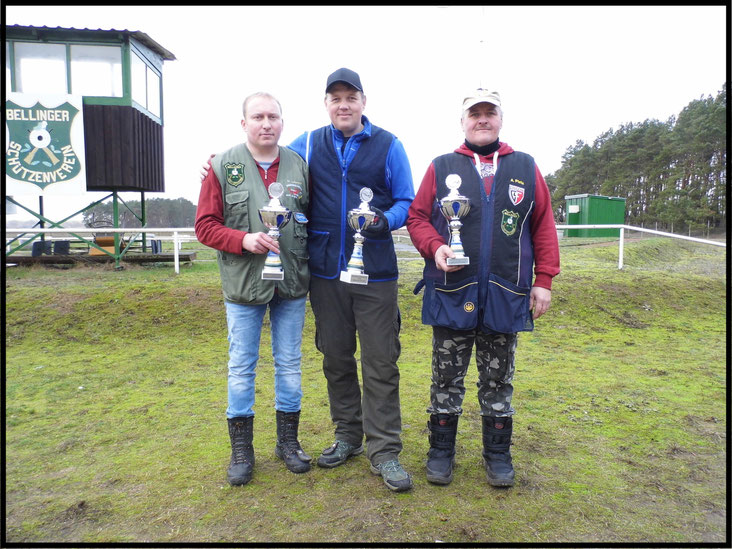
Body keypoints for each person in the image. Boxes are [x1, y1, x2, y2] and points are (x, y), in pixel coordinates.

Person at [406, 88, 560, 487]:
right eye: (474, 114)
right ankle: (441, 452)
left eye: (489, 113)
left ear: (500, 119)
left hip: (506, 295)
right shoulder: (442, 166)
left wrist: (543, 280)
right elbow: (417, 217)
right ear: (463, 121)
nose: (482, 120)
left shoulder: (525, 166)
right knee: (445, 379)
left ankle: (497, 455)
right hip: (453, 293)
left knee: (498, 381)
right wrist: (435, 245)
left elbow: (543, 226)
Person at [288, 68, 416, 492]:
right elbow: (267, 164)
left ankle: (385, 451)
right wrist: (219, 163)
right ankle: (348, 436)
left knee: (380, 361)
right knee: (336, 358)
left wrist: (384, 220)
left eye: (351, 97)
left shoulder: (388, 144)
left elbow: (405, 201)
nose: (343, 105)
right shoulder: (307, 143)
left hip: (375, 272)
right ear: (326, 104)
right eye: (335, 98)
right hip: (325, 272)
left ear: (364, 102)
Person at [195, 92, 312, 486]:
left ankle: (288, 442)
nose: (267, 123)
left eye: (274, 117)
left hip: (292, 283)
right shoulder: (221, 165)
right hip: (244, 285)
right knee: (242, 368)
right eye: (258, 116)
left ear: (282, 122)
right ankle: (242, 450)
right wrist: (243, 240)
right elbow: (205, 225)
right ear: (243, 123)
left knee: (290, 365)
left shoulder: (298, 164)